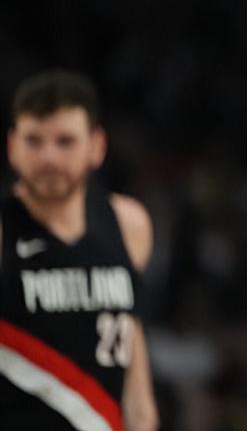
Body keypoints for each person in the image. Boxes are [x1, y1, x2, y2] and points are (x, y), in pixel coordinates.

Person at [0, 70, 159, 430]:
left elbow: (131, 348)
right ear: (12, 147)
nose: (49, 157)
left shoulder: (129, 223)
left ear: (96, 146)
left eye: (65, 141)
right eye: (34, 141)